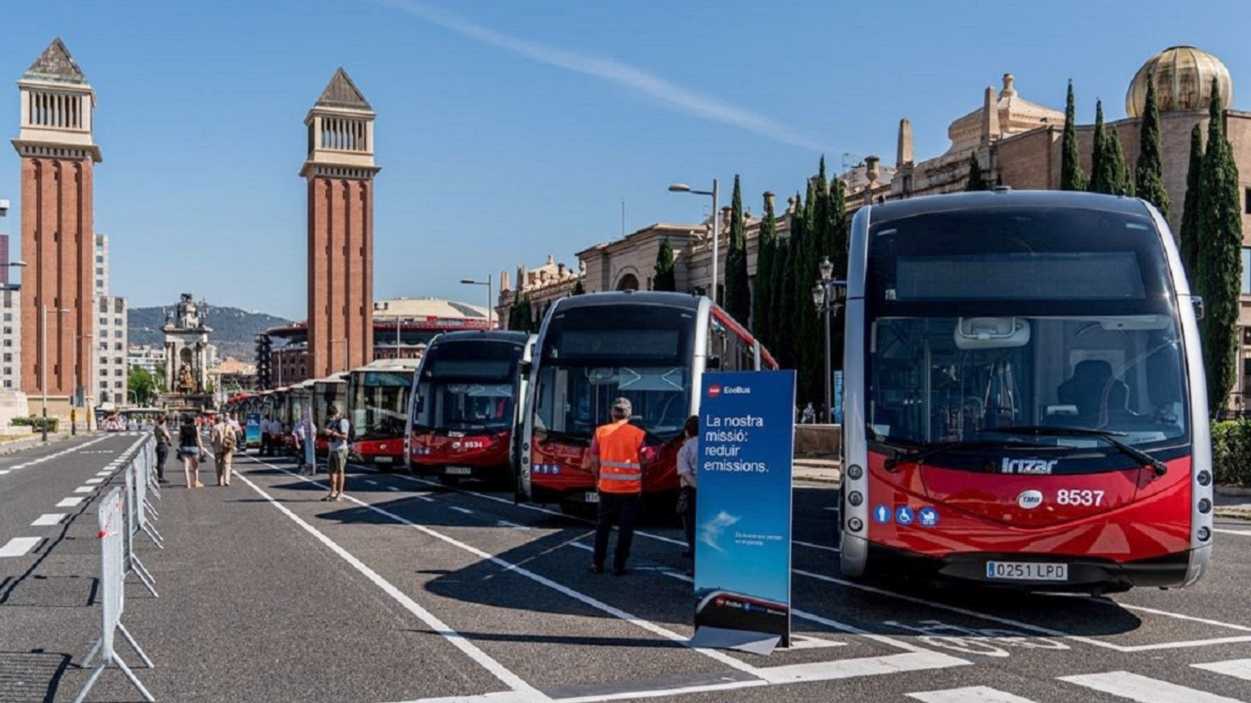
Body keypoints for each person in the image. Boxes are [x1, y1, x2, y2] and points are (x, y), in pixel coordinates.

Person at [586, 397, 645, 575]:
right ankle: (619, 565)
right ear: (629, 414)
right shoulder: (638, 433)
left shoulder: (600, 432)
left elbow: (594, 461)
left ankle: (597, 563)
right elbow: (644, 460)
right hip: (630, 489)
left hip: (607, 488)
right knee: (625, 528)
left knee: (603, 527)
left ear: (612, 413)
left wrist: (597, 480)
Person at [675, 415, 699, 558]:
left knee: (691, 525)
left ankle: (693, 552)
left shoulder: (685, 449)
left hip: (692, 491)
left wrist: (697, 488)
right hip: (712, 489)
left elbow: (685, 474)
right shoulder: (713, 444)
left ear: (687, 431)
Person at [322, 404, 350, 501]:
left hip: (340, 449)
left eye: (332, 415)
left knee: (340, 471)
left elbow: (345, 437)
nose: (331, 418)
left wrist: (333, 433)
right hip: (332, 449)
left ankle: (340, 493)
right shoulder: (331, 422)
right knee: (331, 471)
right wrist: (326, 432)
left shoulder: (343, 421)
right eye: (329, 416)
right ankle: (333, 491)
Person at [177, 414, 205, 489]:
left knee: (186, 466)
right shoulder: (196, 428)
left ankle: (188, 484)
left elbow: (179, 438)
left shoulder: (182, 428)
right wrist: (201, 448)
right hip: (194, 447)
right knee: (195, 466)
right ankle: (196, 482)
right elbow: (198, 439)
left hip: (184, 447)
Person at [212, 414, 238, 487]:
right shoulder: (228, 426)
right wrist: (233, 445)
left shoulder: (215, 427)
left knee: (218, 465)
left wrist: (213, 445)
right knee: (227, 464)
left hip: (218, 448)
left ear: (216, 420)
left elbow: (213, 439)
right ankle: (227, 480)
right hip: (227, 447)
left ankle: (220, 481)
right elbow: (233, 436)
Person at [153, 415, 172, 483]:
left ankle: (160, 476)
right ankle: (161, 477)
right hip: (163, 445)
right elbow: (167, 436)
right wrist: (169, 440)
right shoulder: (162, 428)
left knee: (159, 462)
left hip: (158, 444)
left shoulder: (156, 428)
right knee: (162, 463)